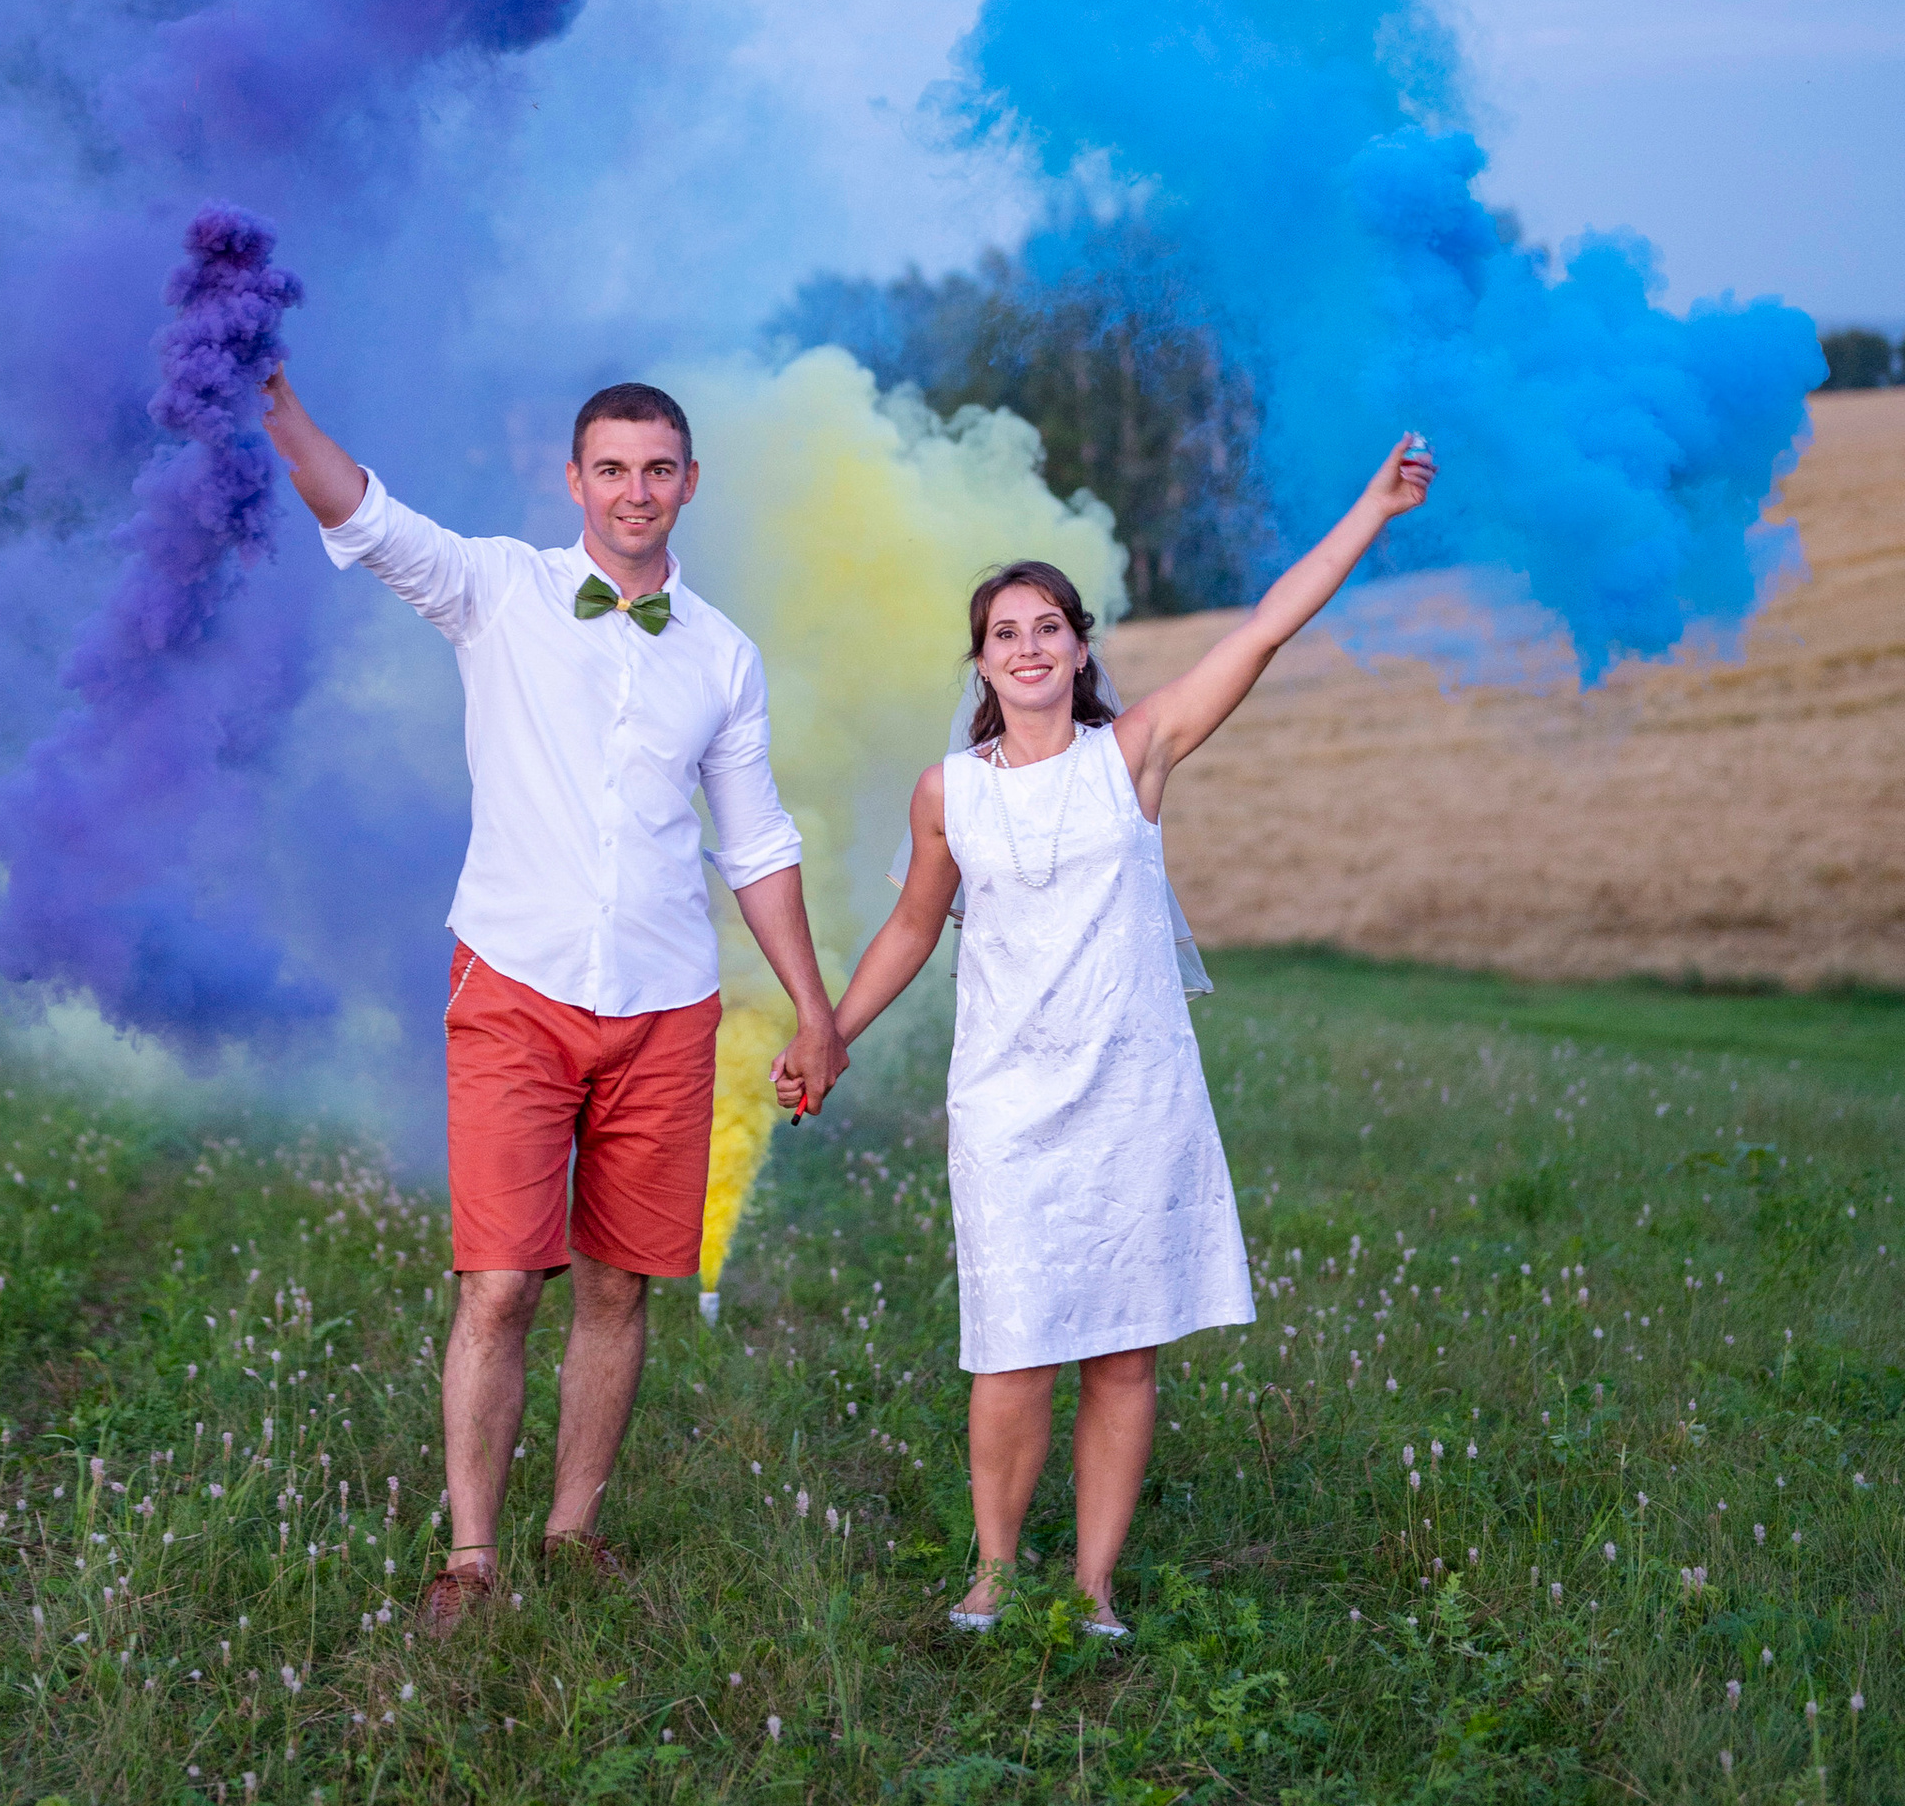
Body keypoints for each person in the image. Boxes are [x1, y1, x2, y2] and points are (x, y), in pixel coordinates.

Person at [779, 435, 1436, 1635]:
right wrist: (830, 1030)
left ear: (1080, 647)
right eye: (1002, 634)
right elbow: (912, 926)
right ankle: (991, 1573)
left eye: (1047, 628)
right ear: (979, 662)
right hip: (1007, 1101)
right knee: (1012, 1346)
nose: (1027, 648)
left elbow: (1264, 630)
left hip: (1134, 1091)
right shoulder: (950, 792)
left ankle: (1091, 1590)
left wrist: (1372, 506)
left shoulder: (1134, 752)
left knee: (1123, 1352)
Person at [261, 370, 846, 1632]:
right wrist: (275, 407)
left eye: (658, 469)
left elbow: (753, 844)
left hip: (664, 1003)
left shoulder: (723, 654)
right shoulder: (498, 590)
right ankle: (470, 1556)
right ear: (573, 480)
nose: (636, 491)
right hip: (515, 986)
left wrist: (813, 1006)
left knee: (621, 1285)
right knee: (498, 1285)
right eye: (612, 468)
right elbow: (365, 516)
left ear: (689, 483)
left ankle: (571, 1528)